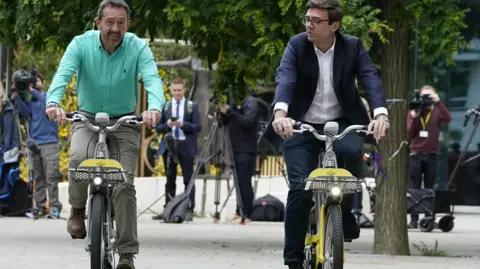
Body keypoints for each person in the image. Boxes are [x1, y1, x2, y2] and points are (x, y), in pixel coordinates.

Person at [263, 1, 389, 268]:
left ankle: (343, 215)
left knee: (354, 154)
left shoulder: (352, 46)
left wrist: (380, 114)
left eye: (316, 21)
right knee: (300, 188)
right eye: (307, 19)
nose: (309, 25)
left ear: (334, 26)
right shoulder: (296, 45)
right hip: (300, 124)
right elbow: (285, 78)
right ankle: (294, 258)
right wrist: (280, 115)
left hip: (341, 122)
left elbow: (370, 78)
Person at [45, 1, 165, 268]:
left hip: (124, 123)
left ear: (128, 24)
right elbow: (62, 74)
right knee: (77, 160)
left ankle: (126, 254)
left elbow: (153, 79)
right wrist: (53, 102)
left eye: (121, 22)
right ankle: (77, 210)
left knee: (123, 184)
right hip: (86, 119)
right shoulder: (81, 44)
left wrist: (154, 108)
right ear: (98, 22)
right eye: (109, 22)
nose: (115, 28)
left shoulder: (138, 47)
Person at [10, 72, 63, 219]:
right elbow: (25, 112)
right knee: (38, 177)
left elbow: (45, 102)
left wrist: (31, 90)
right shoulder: (31, 101)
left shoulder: (49, 97)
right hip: (35, 143)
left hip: (50, 143)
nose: (32, 84)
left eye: (35, 81)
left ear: (42, 82)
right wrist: (18, 95)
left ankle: (54, 207)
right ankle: (40, 206)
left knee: (51, 177)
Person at [154, 78, 201, 221]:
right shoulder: (166, 106)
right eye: (174, 90)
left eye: (179, 90)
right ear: (170, 91)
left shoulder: (192, 106)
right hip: (169, 145)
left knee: (188, 179)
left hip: (185, 145)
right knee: (170, 179)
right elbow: (158, 128)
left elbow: (198, 127)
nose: (177, 93)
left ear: (184, 90)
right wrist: (168, 125)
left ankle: (188, 209)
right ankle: (168, 208)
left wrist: (183, 125)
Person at [406, 85, 451, 229]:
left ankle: (428, 215)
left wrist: (438, 102)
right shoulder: (415, 111)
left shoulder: (437, 110)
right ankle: (414, 218)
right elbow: (410, 133)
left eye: (429, 96)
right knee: (415, 187)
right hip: (416, 154)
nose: (426, 100)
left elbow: (448, 118)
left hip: (431, 154)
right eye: (424, 96)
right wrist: (414, 118)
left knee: (430, 185)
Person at [220, 93, 260, 224]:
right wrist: (223, 114)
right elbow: (225, 123)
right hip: (235, 148)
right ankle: (239, 211)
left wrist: (230, 112)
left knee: (244, 182)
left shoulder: (251, 102)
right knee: (238, 182)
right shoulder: (236, 102)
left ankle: (247, 213)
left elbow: (248, 121)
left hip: (246, 149)